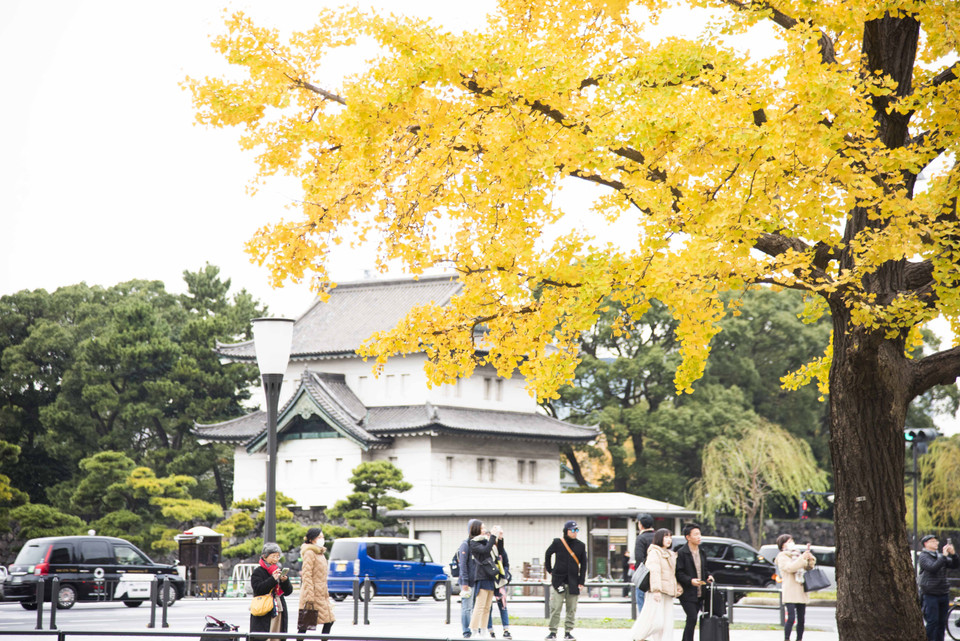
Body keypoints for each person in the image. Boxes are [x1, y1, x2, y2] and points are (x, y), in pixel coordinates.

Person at [630, 528, 682, 641]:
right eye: (666, 537)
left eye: (670, 537)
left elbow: (672, 574)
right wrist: (656, 590)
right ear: (659, 538)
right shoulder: (654, 552)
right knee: (655, 621)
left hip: (668, 592)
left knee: (667, 623)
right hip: (656, 592)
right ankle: (638, 636)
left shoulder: (670, 554)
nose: (669, 539)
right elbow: (654, 572)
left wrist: (677, 587)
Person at [544, 520, 587, 641]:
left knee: (571, 609)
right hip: (558, 581)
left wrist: (581, 581)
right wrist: (550, 570)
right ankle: (553, 632)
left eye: (576, 530)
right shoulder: (558, 542)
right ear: (566, 531)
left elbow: (584, 565)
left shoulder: (581, 545)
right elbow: (548, 554)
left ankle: (568, 632)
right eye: (572, 530)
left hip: (574, 582)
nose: (575, 532)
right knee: (555, 607)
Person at [675, 523, 715, 641]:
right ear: (688, 537)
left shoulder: (702, 552)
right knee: (692, 617)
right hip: (687, 592)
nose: (699, 537)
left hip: (700, 591)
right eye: (696, 534)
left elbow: (705, 569)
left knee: (692, 619)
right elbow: (679, 573)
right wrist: (690, 581)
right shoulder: (682, 552)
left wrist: (708, 576)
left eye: (699, 534)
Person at [774, 534, 816, 641]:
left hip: (801, 590)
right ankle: (787, 638)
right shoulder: (782, 556)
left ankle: (799, 639)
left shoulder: (797, 554)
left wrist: (809, 558)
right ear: (782, 545)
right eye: (788, 541)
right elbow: (790, 568)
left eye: (792, 540)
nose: (791, 543)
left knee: (801, 619)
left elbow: (807, 567)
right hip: (790, 591)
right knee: (791, 618)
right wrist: (802, 558)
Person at [918, 534, 959, 641]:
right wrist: (944, 557)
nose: (936, 543)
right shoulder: (923, 556)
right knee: (933, 621)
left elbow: (955, 565)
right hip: (930, 593)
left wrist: (953, 554)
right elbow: (932, 568)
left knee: (942, 622)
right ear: (925, 544)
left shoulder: (940, 556)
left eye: (936, 541)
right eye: (933, 541)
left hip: (943, 592)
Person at [250, 542, 294, 641]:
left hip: (279, 608)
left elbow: (288, 592)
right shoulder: (258, 571)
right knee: (264, 636)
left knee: (277, 635)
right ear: (264, 557)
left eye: (277, 556)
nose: (275, 559)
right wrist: (273, 579)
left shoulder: (278, 570)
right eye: (273, 556)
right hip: (264, 609)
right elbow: (258, 589)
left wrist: (285, 581)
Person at [297, 528, 335, 640]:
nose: (322, 539)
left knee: (329, 620)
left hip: (321, 594)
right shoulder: (310, 553)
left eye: (322, 537)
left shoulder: (320, 553)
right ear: (311, 539)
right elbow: (306, 575)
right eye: (319, 537)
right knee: (305, 623)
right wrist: (309, 595)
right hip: (312, 594)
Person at [469, 521, 500, 637]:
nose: (484, 530)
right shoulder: (474, 542)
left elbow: (497, 552)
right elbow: (485, 551)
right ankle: (474, 630)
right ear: (476, 529)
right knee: (480, 606)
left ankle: (483, 630)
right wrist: (492, 536)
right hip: (482, 576)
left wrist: (499, 538)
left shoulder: (486, 540)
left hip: (490, 576)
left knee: (487, 607)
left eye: (485, 528)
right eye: (482, 528)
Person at [487, 525, 512, 639]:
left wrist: (504, 572)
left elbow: (506, 563)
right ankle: (490, 630)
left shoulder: (500, 549)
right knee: (488, 607)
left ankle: (506, 629)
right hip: (488, 580)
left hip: (500, 581)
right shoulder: (485, 550)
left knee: (502, 605)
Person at [458, 519, 480, 638]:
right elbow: (463, 565)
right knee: (466, 607)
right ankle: (466, 631)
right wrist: (465, 582)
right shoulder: (465, 544)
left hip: (478, 580)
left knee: (476, 607)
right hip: (467, 582)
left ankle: (475, 629)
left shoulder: (478, 544)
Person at [633, 514, 656, 613]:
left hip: (644, 574)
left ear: (640, 525)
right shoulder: (658, 536)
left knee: (641, 598)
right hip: (657, 573)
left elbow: (639, 558)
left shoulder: (641, 538)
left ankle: (643, 618)